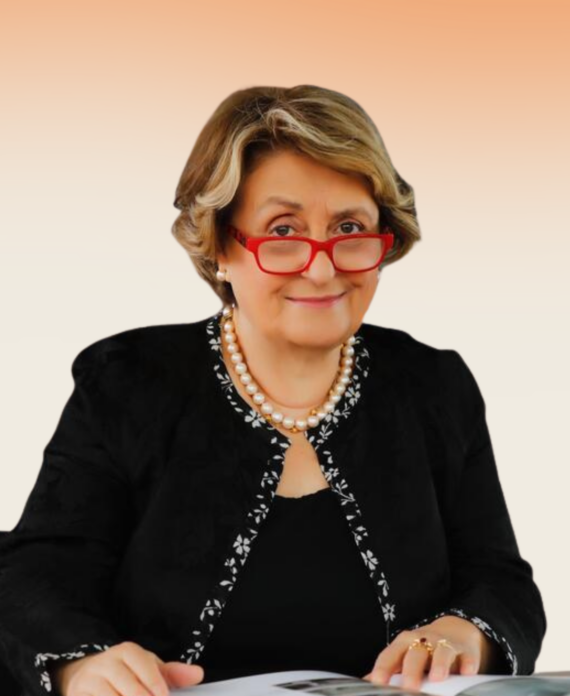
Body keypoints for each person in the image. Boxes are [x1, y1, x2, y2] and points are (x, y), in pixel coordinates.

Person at [0, 84, 546, 696]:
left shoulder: (434, 386)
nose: (322, 267)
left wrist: (466, 632)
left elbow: (501, 582)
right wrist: (80, 664)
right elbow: (34, 576)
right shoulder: (127, 380)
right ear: (219, 246)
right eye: (283, 230)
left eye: (349, 227)